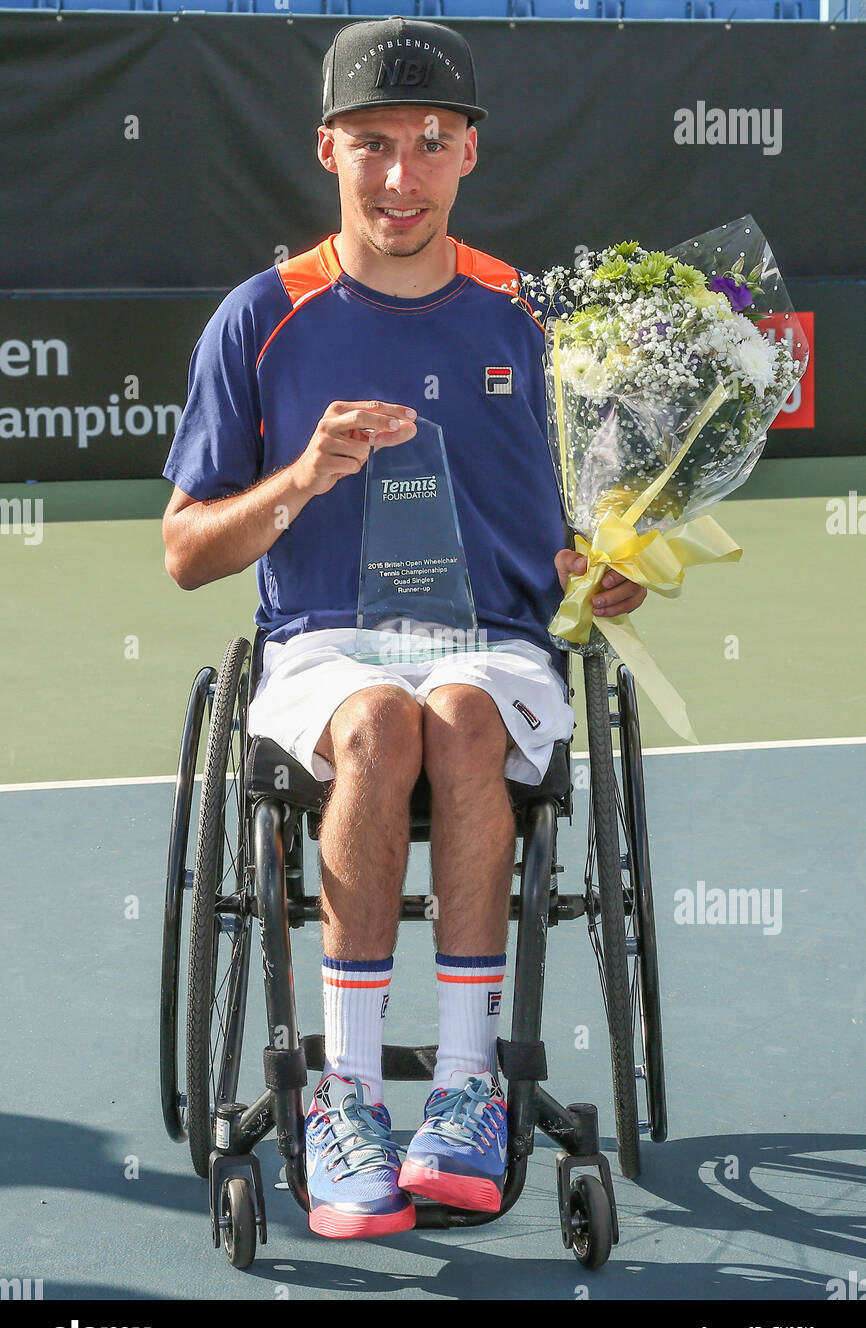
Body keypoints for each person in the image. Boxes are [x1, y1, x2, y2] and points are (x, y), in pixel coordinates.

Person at [161, 16, 647, 1241]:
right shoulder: (259, 316)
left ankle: (470, 1086)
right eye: (372, 142)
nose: (399, 174)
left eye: (429, 142)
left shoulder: (529, 318)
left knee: (461, 715)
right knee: (380, 723)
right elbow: (184, 552)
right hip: (324, 651)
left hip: (491, 646)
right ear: (326, 147)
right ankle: (347, 1094)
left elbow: (589, 531)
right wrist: (300, 480)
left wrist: (606, 570)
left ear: (467, 152)